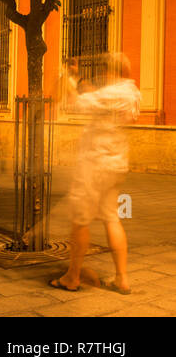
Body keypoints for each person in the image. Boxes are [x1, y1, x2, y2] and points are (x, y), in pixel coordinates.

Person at [51, 51, 142, 294]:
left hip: (94, 165)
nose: (102, 75)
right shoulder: (131, 93)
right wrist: (86, 87)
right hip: (117, 163)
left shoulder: (110, 93)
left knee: (80, 220)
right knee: (112, 217)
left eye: (104, 71)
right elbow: (103, 104)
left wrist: (68, 77)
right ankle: (122, 278)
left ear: (109, 71)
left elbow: (76, 104)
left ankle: (72, 277)